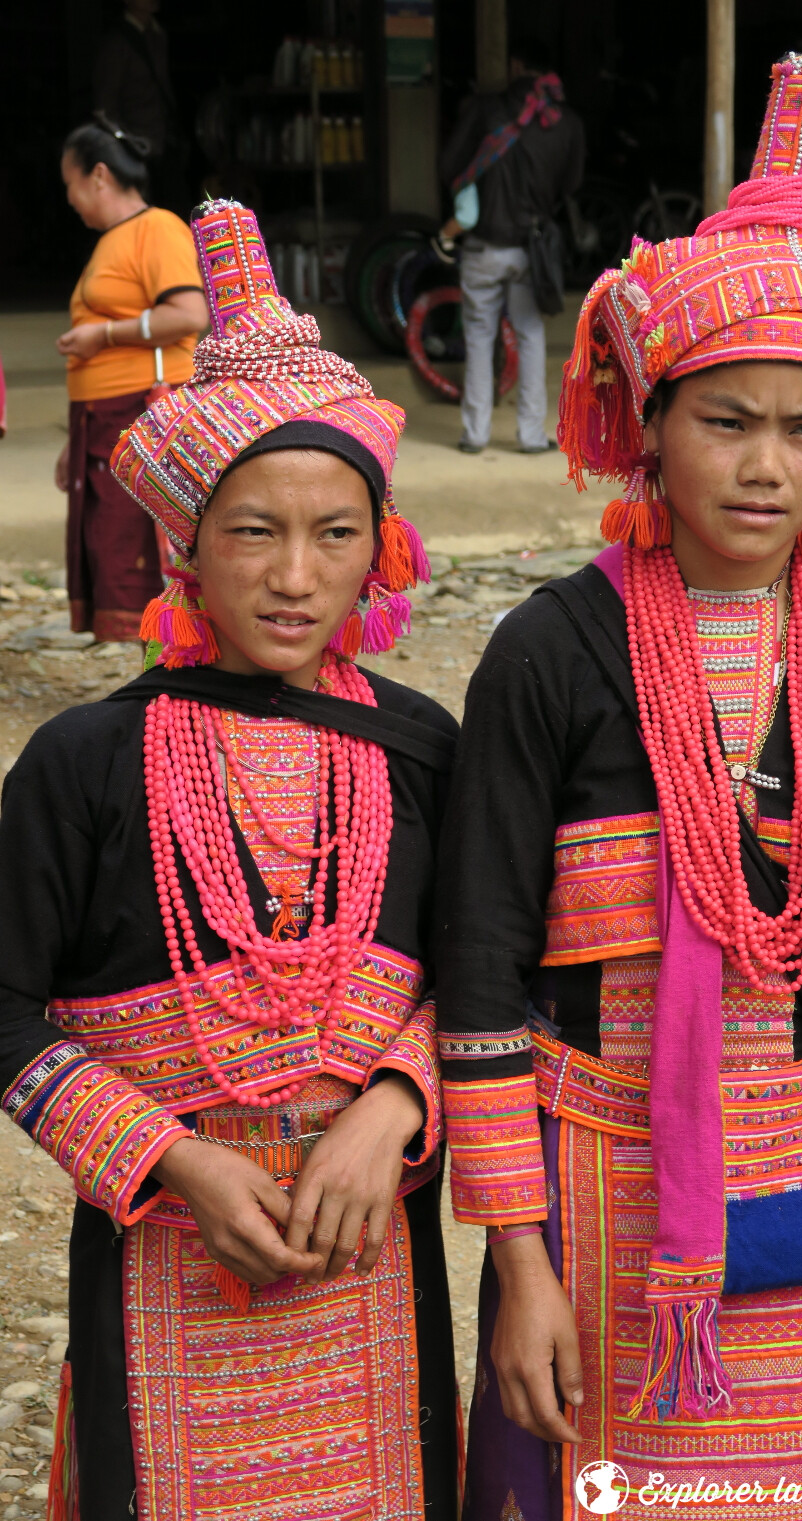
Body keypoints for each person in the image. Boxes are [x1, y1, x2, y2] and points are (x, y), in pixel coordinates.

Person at [436, 55, 802, 1520]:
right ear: (647, 419)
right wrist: (517, 1265)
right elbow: (484, 967)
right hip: (600, 1214)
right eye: (723, 421)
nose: (763, 468)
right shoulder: (552, 652)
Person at [0, 199, 458, 1521]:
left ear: (384, 545)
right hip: (161, 1255)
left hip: (375, 1255)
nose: (297, 577)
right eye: (254, 529)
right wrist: (176, 1159)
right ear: (182, 541)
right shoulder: (85, 763)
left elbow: (497, 974)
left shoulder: (425, 748)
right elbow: (6, 1009)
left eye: (337, 532)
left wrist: (394, 1107)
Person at [56, 117, 206, 642]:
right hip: (103, 415)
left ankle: (167, 672)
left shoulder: (157, 228)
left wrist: (104, 336)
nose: (69, 199)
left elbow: (189, 314)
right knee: (109, 544)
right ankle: (148, 677)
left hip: (143, 411)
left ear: (98, 176)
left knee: (139, 548)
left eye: (70, 183)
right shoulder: (112, 240)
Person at [439, 36, 585, 454]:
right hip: (532, 249)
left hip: (483, 247)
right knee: (531, 336)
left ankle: (476, 434)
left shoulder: (485, 110)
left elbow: (450, 165)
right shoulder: (566, 121)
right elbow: (572, 184)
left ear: (516, 66)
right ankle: (531, 435)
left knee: (480, 336)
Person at [93, 0, 184, 210]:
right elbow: (104, 109)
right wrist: (128, 147)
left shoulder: (159, 35)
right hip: (137, 149)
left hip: (164, 143)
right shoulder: (117, 43)